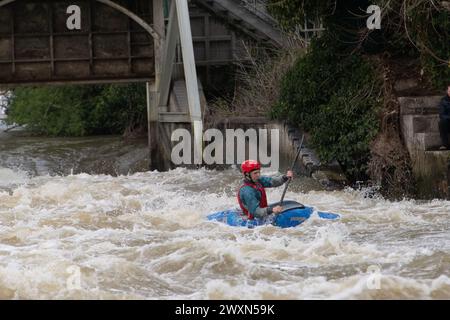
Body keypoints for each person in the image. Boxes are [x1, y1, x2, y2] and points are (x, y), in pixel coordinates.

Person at [438, 84, 450, 150]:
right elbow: (441, 115)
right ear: (447, 91)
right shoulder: (443, 101)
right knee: (441, 122)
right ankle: (445, 144)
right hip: (448, 123)